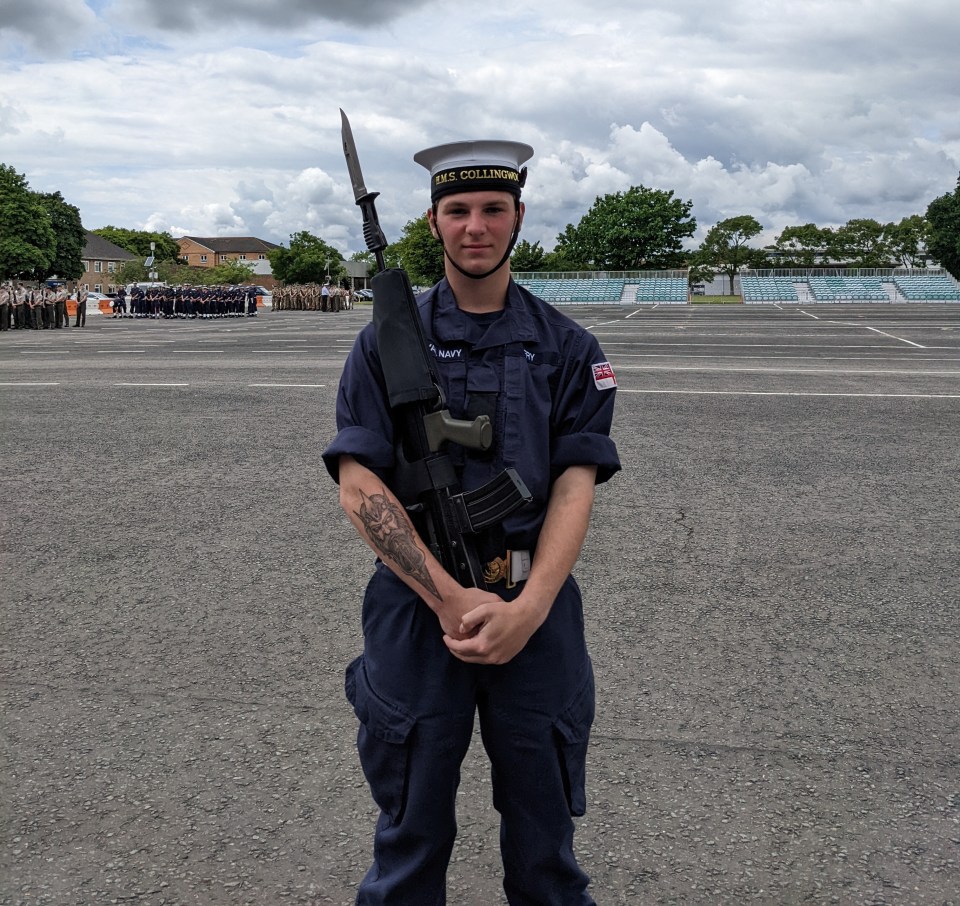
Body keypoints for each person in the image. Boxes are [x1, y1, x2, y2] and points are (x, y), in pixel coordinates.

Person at [323, 139, 620, 904]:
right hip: (420, 612)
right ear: (433, 224)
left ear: (519, 217)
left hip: (535, 609)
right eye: (458, 211)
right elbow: (359, 484)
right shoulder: (383, 343)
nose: (476, 226)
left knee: (546, 841)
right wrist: (448, 598)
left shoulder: (567, 348)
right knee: (410, 836)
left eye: (493, 209)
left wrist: (531, 608)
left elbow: (572, 488)